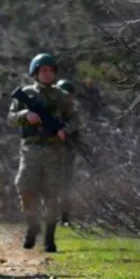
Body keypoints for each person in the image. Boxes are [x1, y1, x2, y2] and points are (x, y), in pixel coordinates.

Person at [7, 53, 79, 252]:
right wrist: (25, 114)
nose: (47, 74)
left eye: (50, 70)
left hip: (54, 150)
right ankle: (32, 225)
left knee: (52, 194)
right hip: (30, 149)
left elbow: (74, 119)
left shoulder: (62, 96)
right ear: (35, 73)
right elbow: (10, 118)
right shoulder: (26, 93)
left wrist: (65, 130)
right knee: (25, 188)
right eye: (43, 70)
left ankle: (49, 237)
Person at [55, 79, 79, 226]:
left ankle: (64, 217)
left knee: (65, 185)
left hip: (66, 152)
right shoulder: (51, 109)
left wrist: (65, 131)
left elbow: (74, 127)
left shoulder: (72, 113)